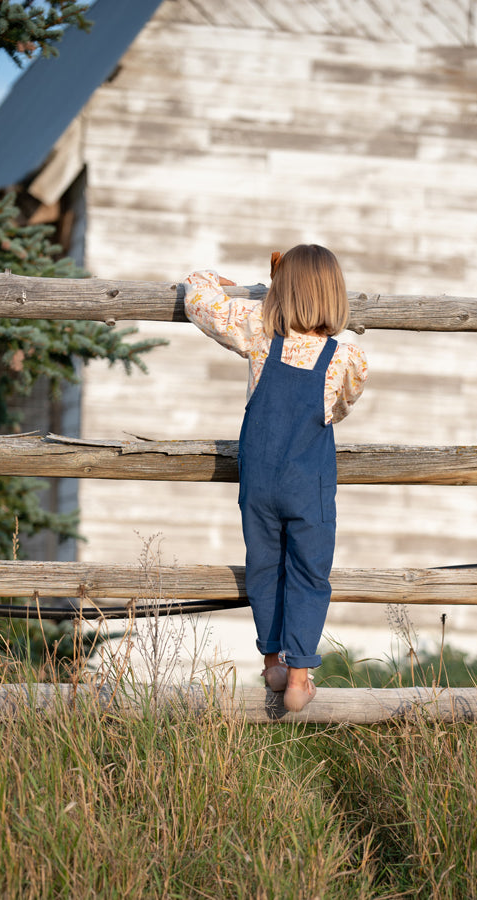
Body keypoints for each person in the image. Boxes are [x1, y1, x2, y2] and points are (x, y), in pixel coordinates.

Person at [183, 244, 367, 712]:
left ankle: (271, 662)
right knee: (309, 572)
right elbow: (339, 408)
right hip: (311, 483)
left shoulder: (261, 334)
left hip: (260, 478)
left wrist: (213, 279)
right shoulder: (347, 358)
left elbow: (199, 302)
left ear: (279, 291)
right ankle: (301, 674)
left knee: (264, 566)